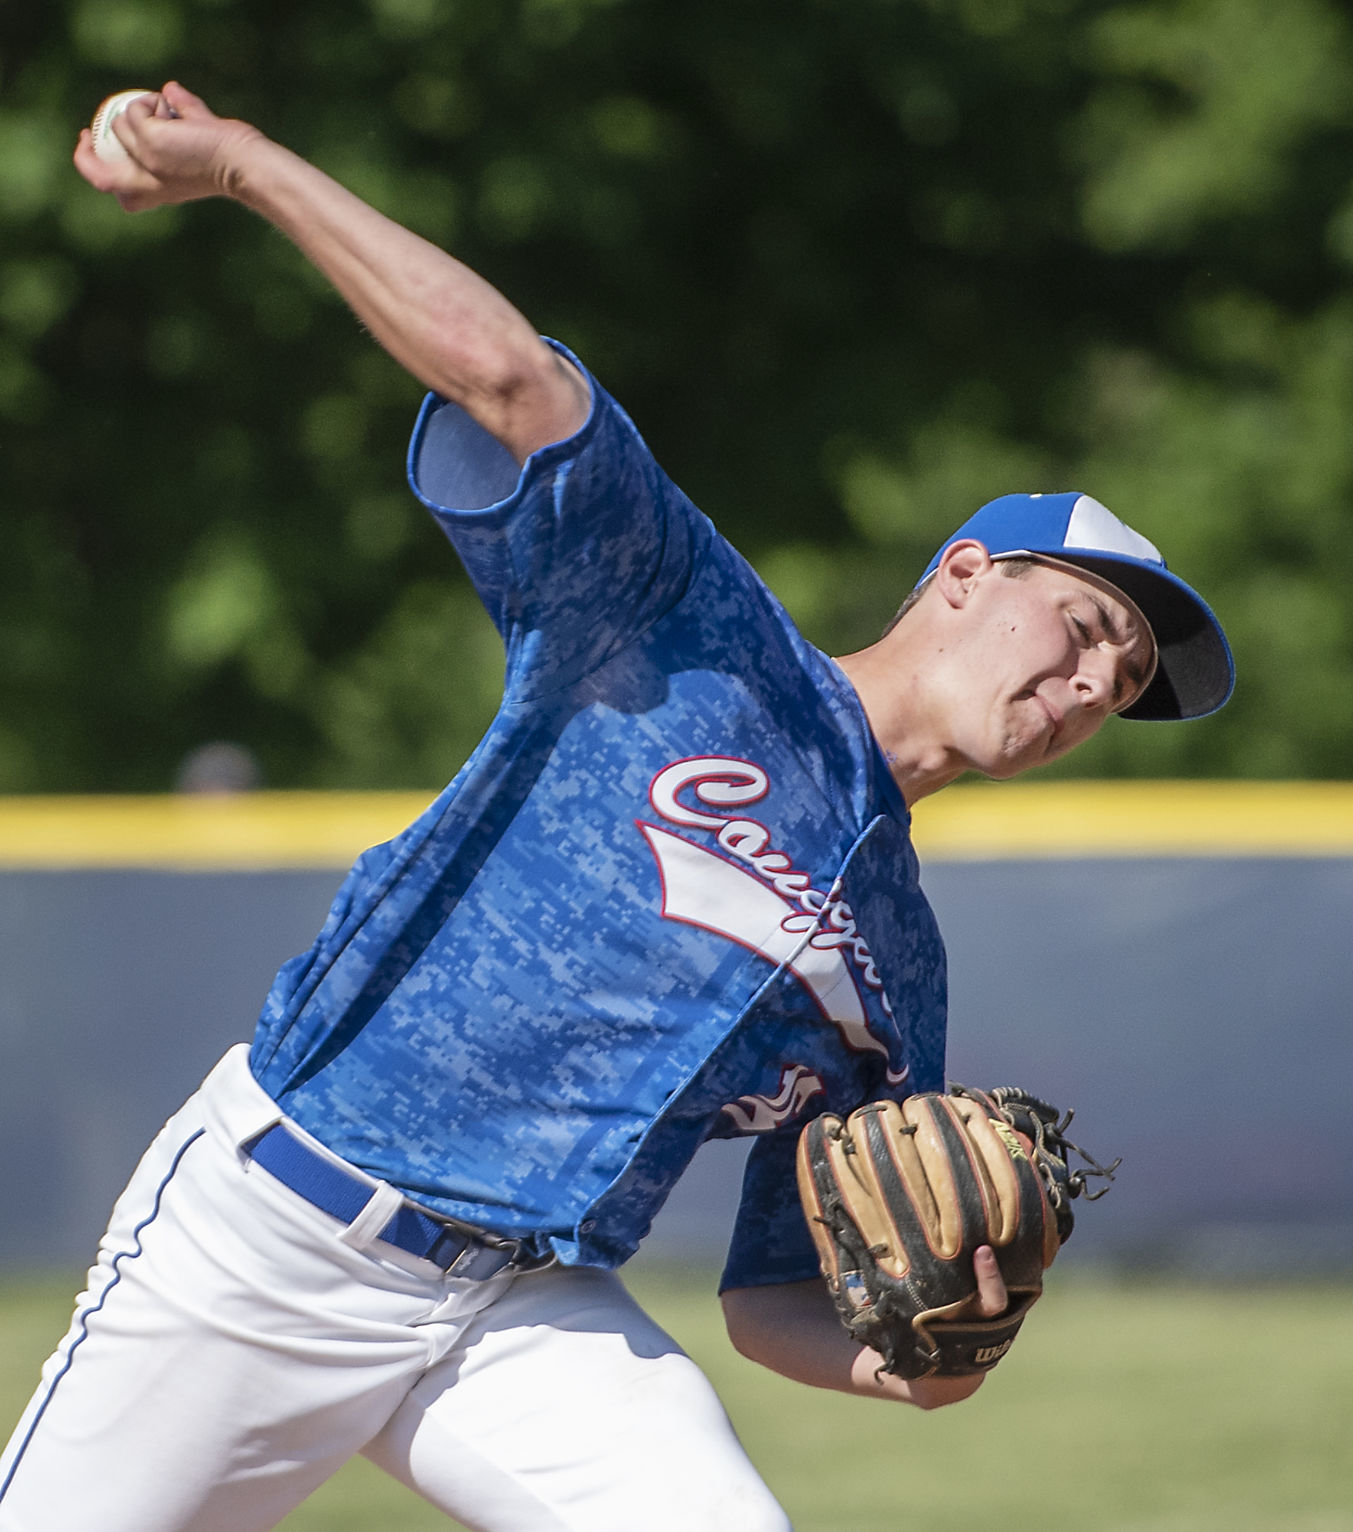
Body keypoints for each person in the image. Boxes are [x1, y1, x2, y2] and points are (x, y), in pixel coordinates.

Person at [0, 83, 1233, 1532]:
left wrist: (919, 1369)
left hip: (519, 1308)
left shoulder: (894, 960)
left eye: (1126, 679)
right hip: (275, 1235)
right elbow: (511, 382)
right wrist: (244, 166)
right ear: (964, 573)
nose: (1093, 683)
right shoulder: (689, 621)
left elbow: (771, 1292)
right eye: (1084, 627)